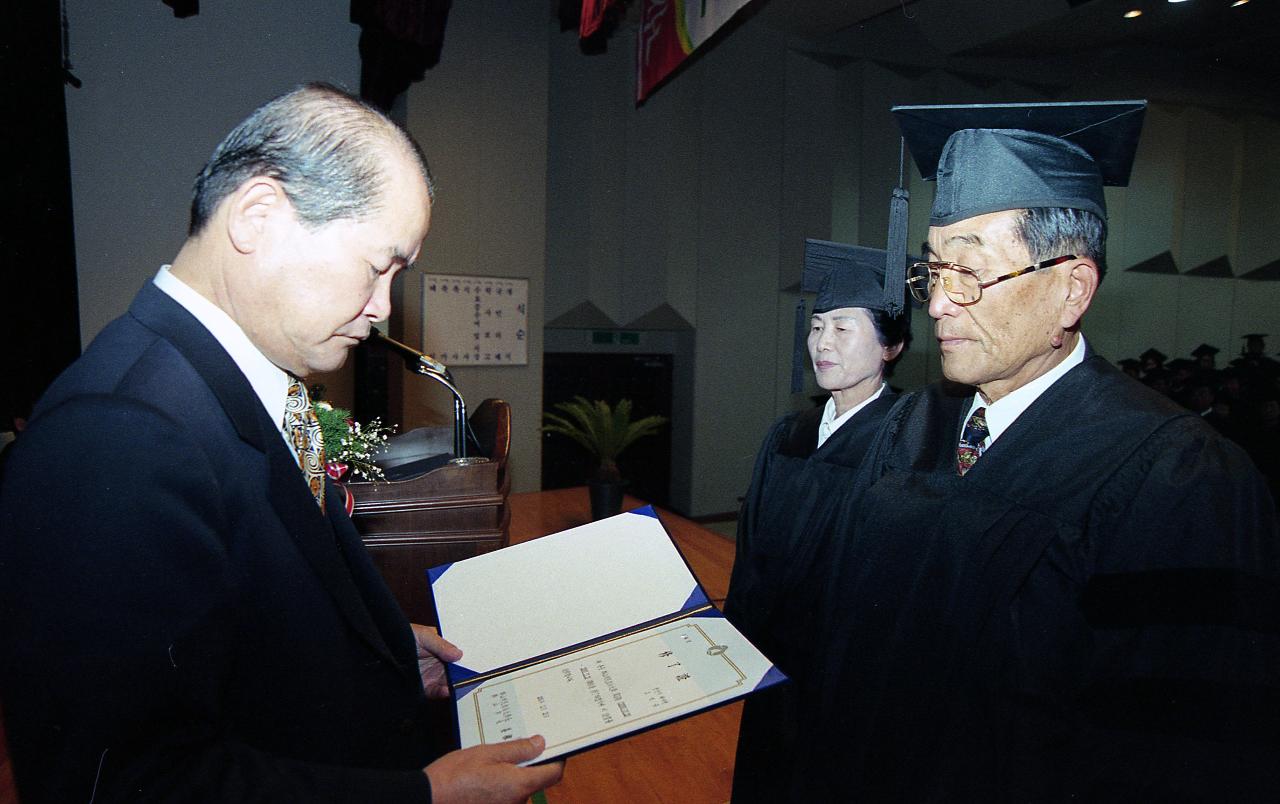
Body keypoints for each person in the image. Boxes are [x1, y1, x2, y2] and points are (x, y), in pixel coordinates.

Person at [0, 84, 563, 803]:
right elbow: (129, 783)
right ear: (259, 216)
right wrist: (423, 798)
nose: (384, 307)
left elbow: (262, 617)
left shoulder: (267, 385)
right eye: (377, 266)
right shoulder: (118, 435)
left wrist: (388, 655)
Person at [791, 101, 1280, 800]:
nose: (937, 307)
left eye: (970, 274)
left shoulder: (1177, 477)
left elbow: (1182, 751)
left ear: (1071, 289)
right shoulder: (912, 428)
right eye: (933, 273)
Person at [724, 241, 910, 803]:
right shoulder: (789, 435)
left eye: (844, 328)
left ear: (891, 347)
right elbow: (752, 550)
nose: (822, 343)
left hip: (847, 676)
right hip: (774, 664)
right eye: (817, 326)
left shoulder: (908, 442)